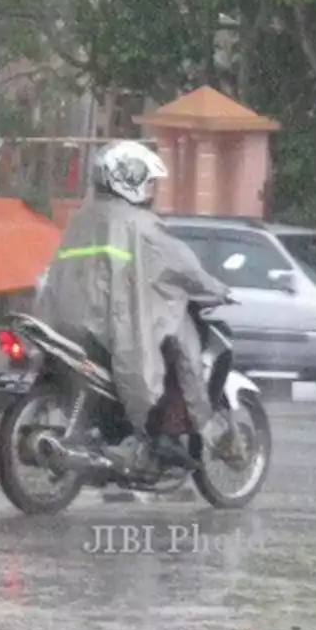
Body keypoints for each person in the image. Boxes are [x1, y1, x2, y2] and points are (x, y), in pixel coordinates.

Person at [34, 140, 246, 473]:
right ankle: (159, 432)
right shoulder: (141, 224)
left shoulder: (82, 219)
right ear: (128, 179)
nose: (151, 188)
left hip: (66, 322)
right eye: (146, 179)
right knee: (179, 344)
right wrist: (219, 290)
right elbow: (184, 268)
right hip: (111, 327)